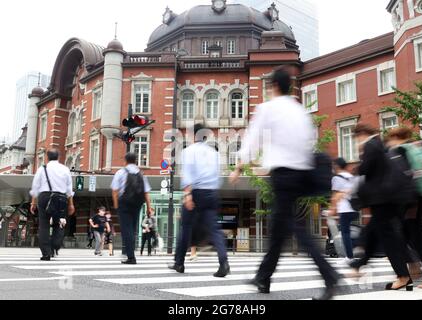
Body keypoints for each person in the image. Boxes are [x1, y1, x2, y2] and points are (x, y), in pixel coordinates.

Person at [230, 67, 340, 300]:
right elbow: (309, 141)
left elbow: (254, 137)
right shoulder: (300, 110)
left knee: (294, 228)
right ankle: (263, 277)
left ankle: (329, 275)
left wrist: (240, 165)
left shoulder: (268, 108)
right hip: (301, 173)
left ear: (274, 87)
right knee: (279, 229)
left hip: (283, 174)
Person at [350, 124, 413, 291]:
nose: (357, 141)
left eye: (356, 137)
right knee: (373, 232)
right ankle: (359, 264)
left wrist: (359, 162)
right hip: (387, 198)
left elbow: (365, 169)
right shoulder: (379, 145)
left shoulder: (371, 145)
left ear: (362, 134)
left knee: (387, 238)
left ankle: (403, 276)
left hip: (382, 199)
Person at [168, 124, 230, 277]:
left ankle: (179, 263)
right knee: (214, 229)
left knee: (186, 227)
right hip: (212, 193)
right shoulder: (214, 153)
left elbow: (187, 173)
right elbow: (218, 176)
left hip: (196, 193)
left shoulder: (189, 151)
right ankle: (224, 262)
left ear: (192, 135)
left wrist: (188, 194)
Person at [385, 127, 422, 289]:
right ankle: (412, 272)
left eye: (391, 138)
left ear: (396, 137)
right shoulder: (418, 147)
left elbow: (402, 174)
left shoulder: (403, 149)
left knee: (414, 234)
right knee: (409, 234)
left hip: (414, 197)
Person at [30, 149, 75, 261]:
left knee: (44, 225)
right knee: (59, 222)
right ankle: (55, 244)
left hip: (44, 197)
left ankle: (46, 253)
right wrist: (71, 204)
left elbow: (35, 187)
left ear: (47, 157)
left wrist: (33, 202)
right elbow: (69, 189)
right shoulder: (65, 169)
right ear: (58, 157)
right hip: (60, 197)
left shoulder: (42, 169)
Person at [111, 153, 153, 264]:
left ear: (125, 161)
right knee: (133, 228)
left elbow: (115, 191)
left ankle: (131, 257)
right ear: (135, 161)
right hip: (137, 203)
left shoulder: (121, 172)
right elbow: (146, 192)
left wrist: (116, 205)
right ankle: (130, 253)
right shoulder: (141, 174)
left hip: (124, 202)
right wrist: (149, 207)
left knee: (126, 229)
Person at [330, 158, 359, 265]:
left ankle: (350, 257)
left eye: (333, 165)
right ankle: (357, 248)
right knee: (348, 232)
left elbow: (335, 196)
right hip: (355, 209)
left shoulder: (336, 178)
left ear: (337, 166)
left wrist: (332, 210)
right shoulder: (351, 176)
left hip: (345, 210)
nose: (332, 167)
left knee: (345, 233)